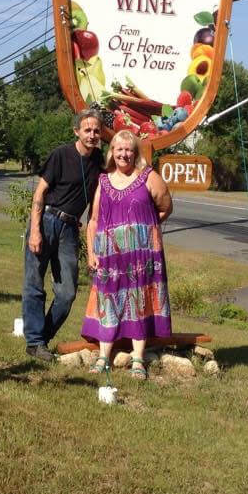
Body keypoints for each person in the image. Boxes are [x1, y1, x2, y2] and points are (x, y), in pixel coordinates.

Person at [81, 129, 173, 379]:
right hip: (109, 255)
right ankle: (103, 357)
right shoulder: (103, 180)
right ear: (112, 152)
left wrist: (145, 230)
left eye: (128, 149)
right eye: (119, 149)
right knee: (107, 301)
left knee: (139, 301)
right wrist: (91, 252)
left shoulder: (148, 177)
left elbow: (165, 207)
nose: (124, 154)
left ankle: (138, 359)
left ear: (135, 153)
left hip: (141, 257)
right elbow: (93, 220)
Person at [22, 108, 104, 361]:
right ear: (76, 131)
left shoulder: (99, 162)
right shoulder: (60, 155)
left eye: (96, 130)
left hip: (70, 229)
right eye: (87, 130)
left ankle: (42, 339)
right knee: (34, 284)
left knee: (67, 293)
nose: (92, 134)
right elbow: (40, 193)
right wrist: (35, 231)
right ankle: (35, 342)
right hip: (46, 220)